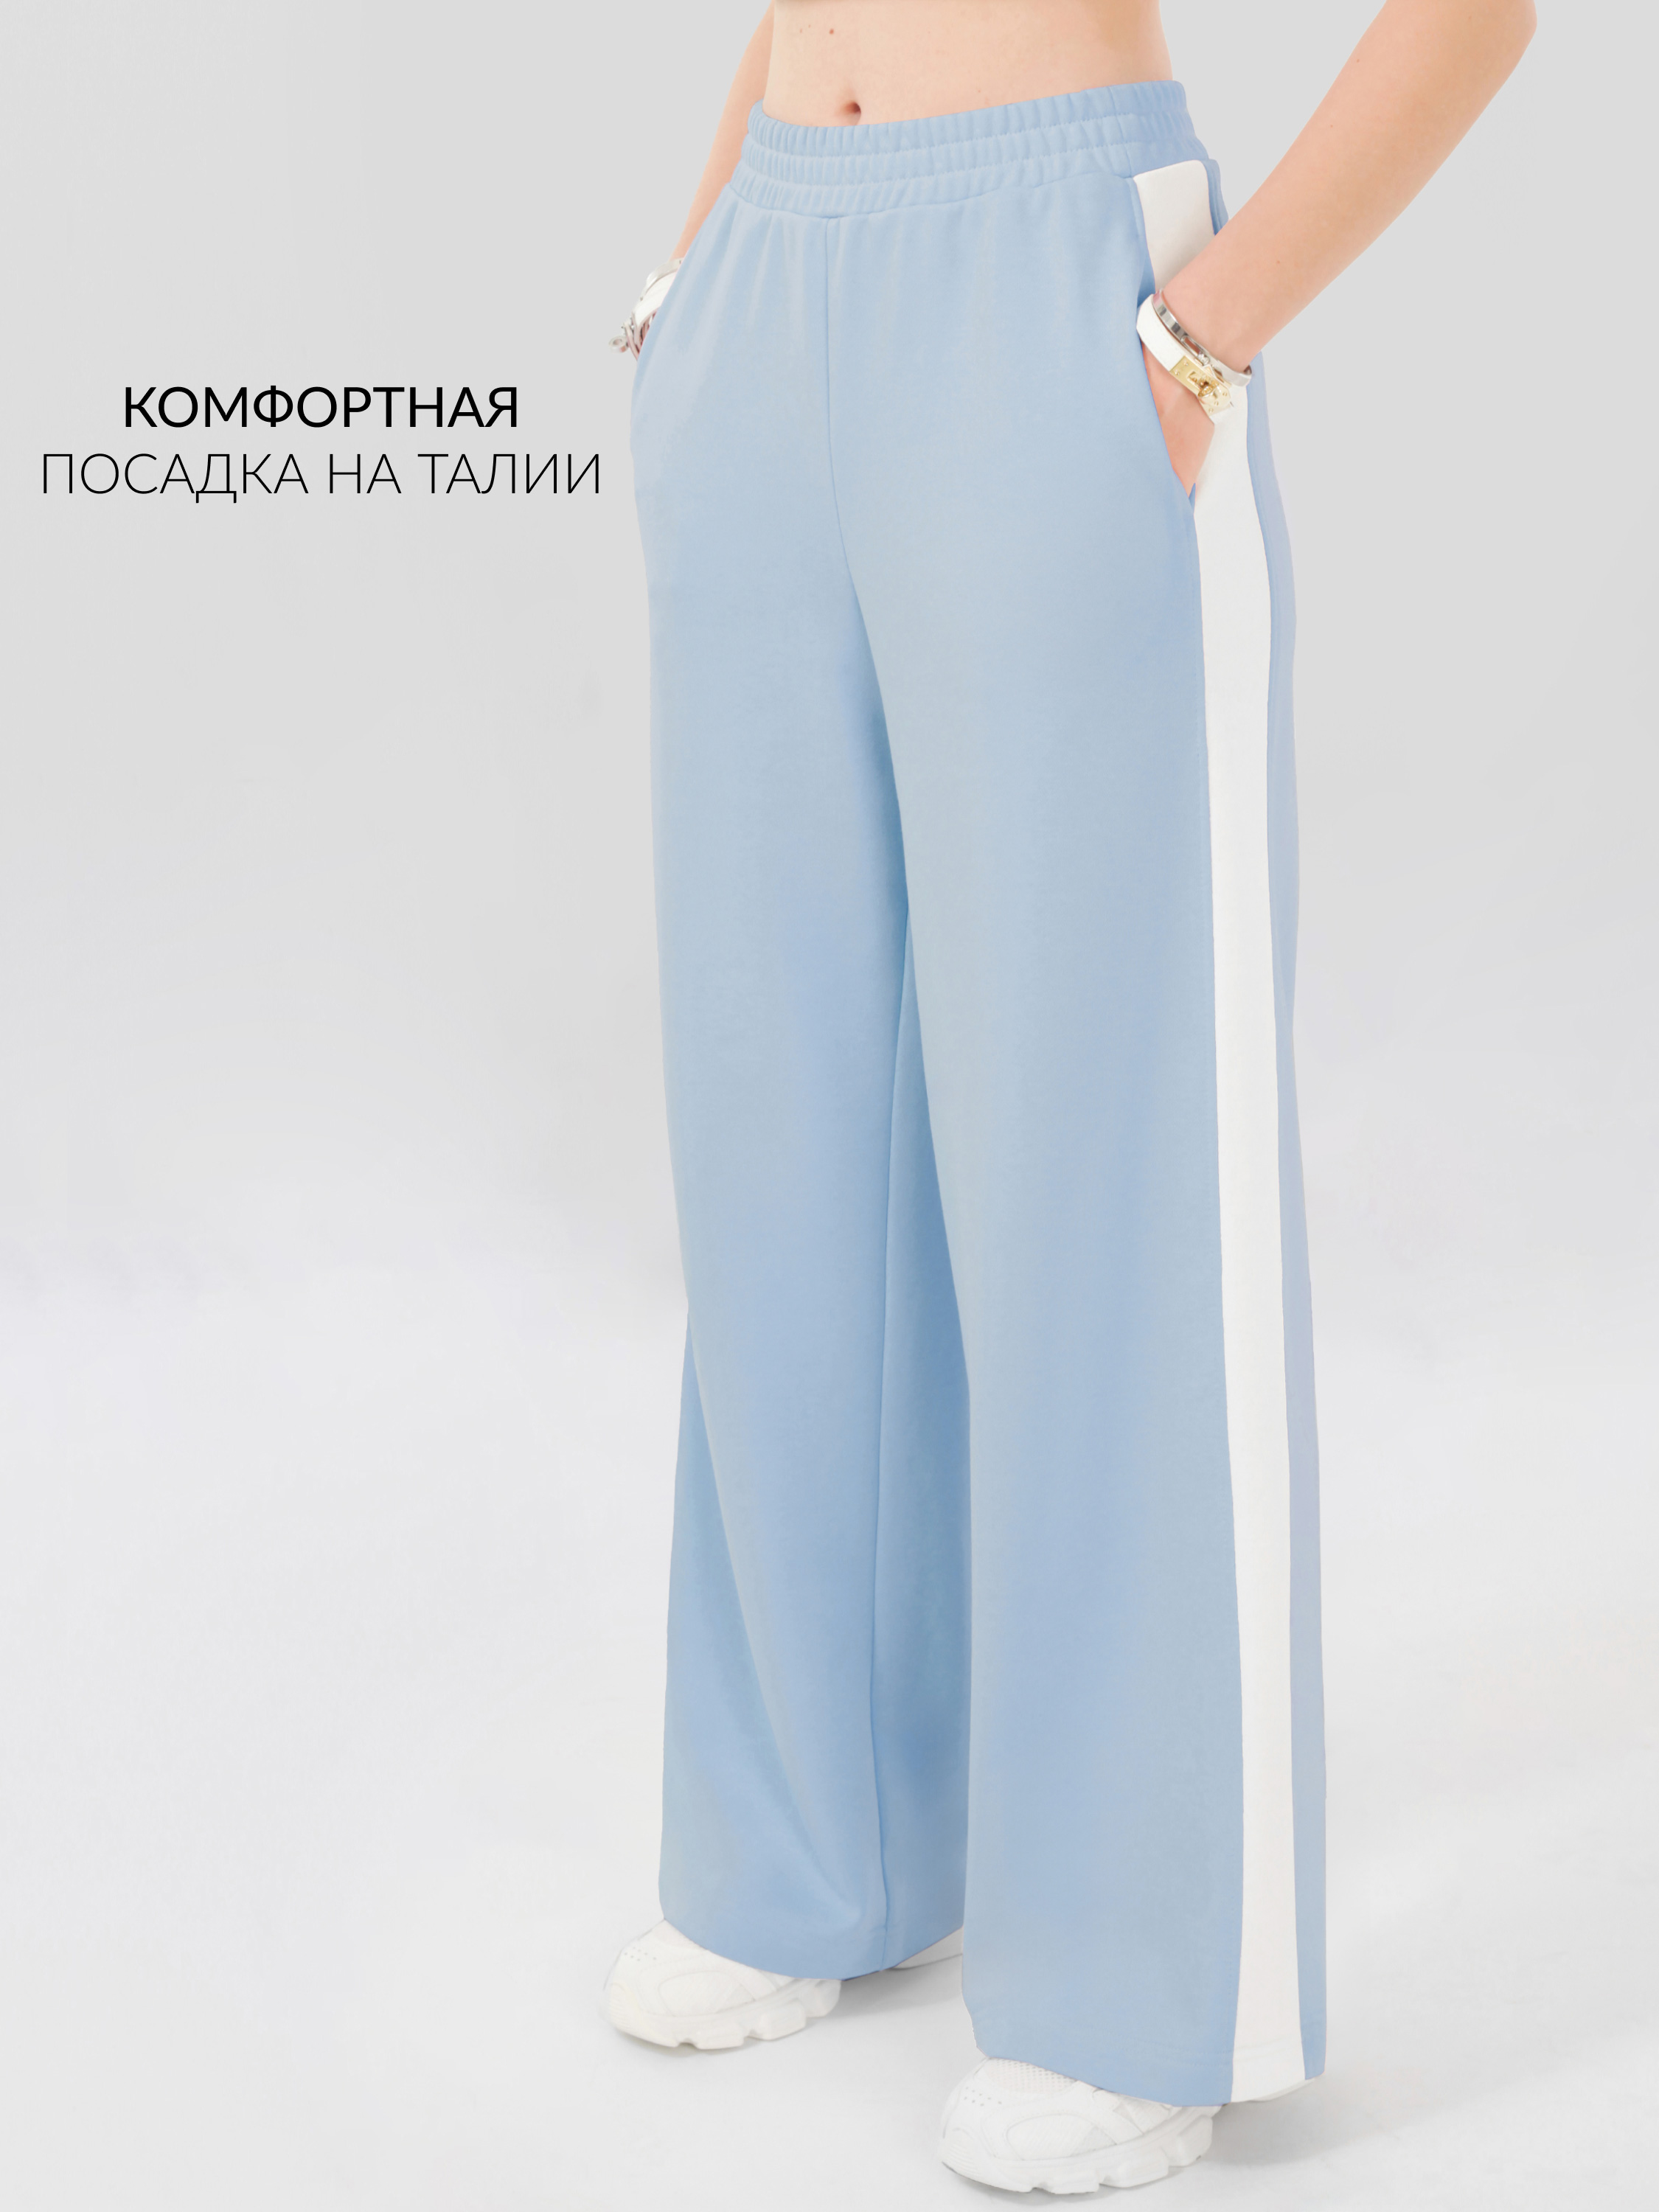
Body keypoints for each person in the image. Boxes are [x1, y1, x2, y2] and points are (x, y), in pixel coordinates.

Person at [603, 1, 1534, 2194]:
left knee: (1099, 1164)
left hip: (1050, 288)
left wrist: (1202, 336)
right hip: (770, 285)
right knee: (776, 1130)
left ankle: (1138, 1973)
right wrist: (693, 281)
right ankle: (808, 1853)